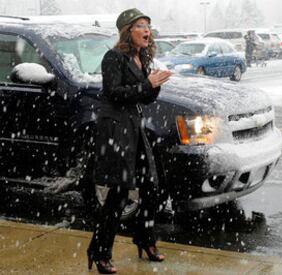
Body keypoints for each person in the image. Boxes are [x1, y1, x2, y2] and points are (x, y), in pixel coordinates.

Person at [87, 8, 172, 274]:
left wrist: (154, 84)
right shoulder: (114, 57)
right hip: (117, 129)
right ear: (128, 31)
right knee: (120, 193)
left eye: (148, 25)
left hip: (135, 127)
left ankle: (145, 239)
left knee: (152, 186)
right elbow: (114, 93)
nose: (147, 30)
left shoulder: (141, 57)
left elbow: (143, 97)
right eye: (141, 25)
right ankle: (100, 252)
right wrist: (147, 83)